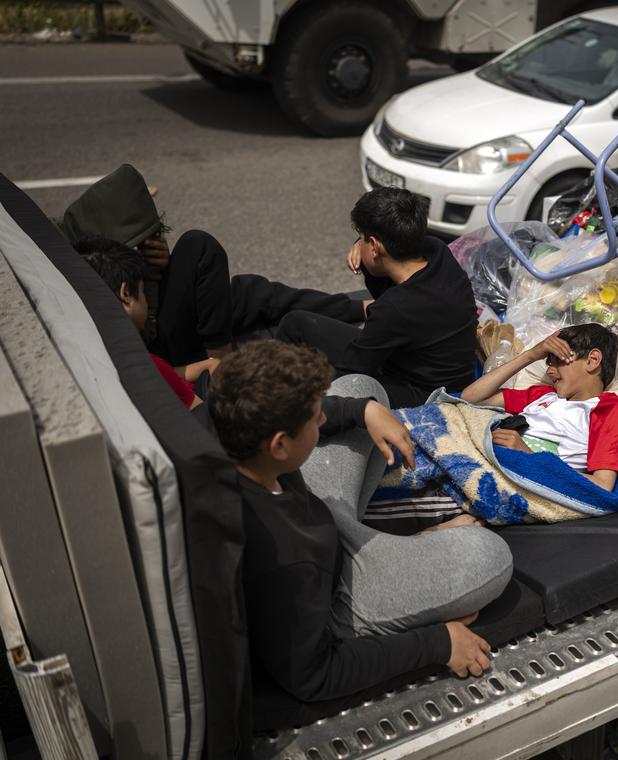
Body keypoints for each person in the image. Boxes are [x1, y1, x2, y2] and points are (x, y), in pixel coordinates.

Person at [206, 340, 512, 701]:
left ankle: (384, 536)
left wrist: (360, 410)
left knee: (362, 390)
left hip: (317, 524)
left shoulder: (218, 429)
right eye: (313, 419)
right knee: (490, 557)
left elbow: (335, 410)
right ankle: (393, 560)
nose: (322, 418)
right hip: (333, 595)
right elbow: (314, 676)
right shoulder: (283, 562)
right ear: (279, 445)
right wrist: (437, 643)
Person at [60, 164, 371, 367]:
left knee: (251, 291)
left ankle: (358, 309)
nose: (151, 243)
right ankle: (222, 355)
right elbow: (156, 370)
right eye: (143, 240)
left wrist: (160, 267)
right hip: (172, 353)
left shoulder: (111, 272)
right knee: (199, 245)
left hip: (165, 329)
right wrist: (212, 364)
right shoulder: (106, 300)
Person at [275, 188, 477, 408]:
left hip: (425, 394)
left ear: (374, 246)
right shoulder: (437, 251)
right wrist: (364, 250)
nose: (357, 244)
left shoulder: (396, 308)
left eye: (360, 238)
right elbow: (387, 284)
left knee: (326, 386)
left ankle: (278, 407)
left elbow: (354, 369)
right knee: (298, 324)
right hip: (434, 365)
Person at [461, 324, 618, 492]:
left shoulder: (608, 409)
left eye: (558, 361)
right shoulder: (543, 395)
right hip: (486, 460)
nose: (549, 371)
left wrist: (529, 456)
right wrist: (530, 355)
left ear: (592, 360)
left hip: (516, 479)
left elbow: (602, 485)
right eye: (549, 362)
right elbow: (471, 398)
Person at [75, 236, 214, 409]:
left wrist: (208, 364)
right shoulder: (148, 365)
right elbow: (203, 416)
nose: (146, 301)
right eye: (142, 291)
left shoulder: (104, 349)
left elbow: (170, 374)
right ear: (125, 294)